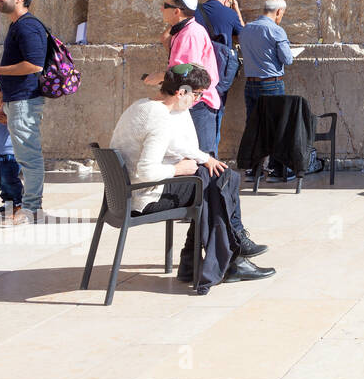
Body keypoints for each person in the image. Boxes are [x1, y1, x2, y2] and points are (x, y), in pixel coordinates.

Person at [111, 64, 273, 289]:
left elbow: (176, 144)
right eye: (196, 95)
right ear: (181, 92)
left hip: (125, 194)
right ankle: (230, 259)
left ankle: (201, 262)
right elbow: (146, 171)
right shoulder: (160, 118)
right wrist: (178, 170)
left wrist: (201, 159)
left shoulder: (143, 106)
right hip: (144, 198)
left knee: (213, 178)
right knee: (215, 183)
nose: (197, 100)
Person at [0, 0, 48, 225]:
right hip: (17, 99)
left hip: (25, 99)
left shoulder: (27, 26)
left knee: (29, 157)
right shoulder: (17, 26)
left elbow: (35, 64)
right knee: (25, 156)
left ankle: (32, 209)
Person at [144, 0, 222, 157]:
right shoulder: (183, 31)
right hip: (190, 102)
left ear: (176, 11)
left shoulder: (190, 33)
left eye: (165, 6)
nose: (161, 9)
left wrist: (159, 77)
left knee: (202, 159)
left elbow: (187, 75)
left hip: (198, 104)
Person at [238, 0, 295, 180]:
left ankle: (253, 170)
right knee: (277, 127)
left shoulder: (246, 30)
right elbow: (287, 59)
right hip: (271, 83)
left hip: (250, 84)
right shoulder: (276, 31)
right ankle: (276, 170)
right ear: (279, 12)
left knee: (253, 126)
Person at [196, 0, 244, 131]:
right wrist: (236, 10)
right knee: (216, 109)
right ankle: (212, 150)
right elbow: (244, 34)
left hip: (198, 66)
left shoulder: (195, 10)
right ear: (226, 1)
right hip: (219, 69)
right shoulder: (230, 13)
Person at [0, 86, 22, 220]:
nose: (0, 102)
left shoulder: (15, 116)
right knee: (0, 182)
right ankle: (8, 204)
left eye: (3, 99)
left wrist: (8, 121)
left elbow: (19, 130)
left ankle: (19, 202)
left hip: (11, 154)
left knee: (9, 180)